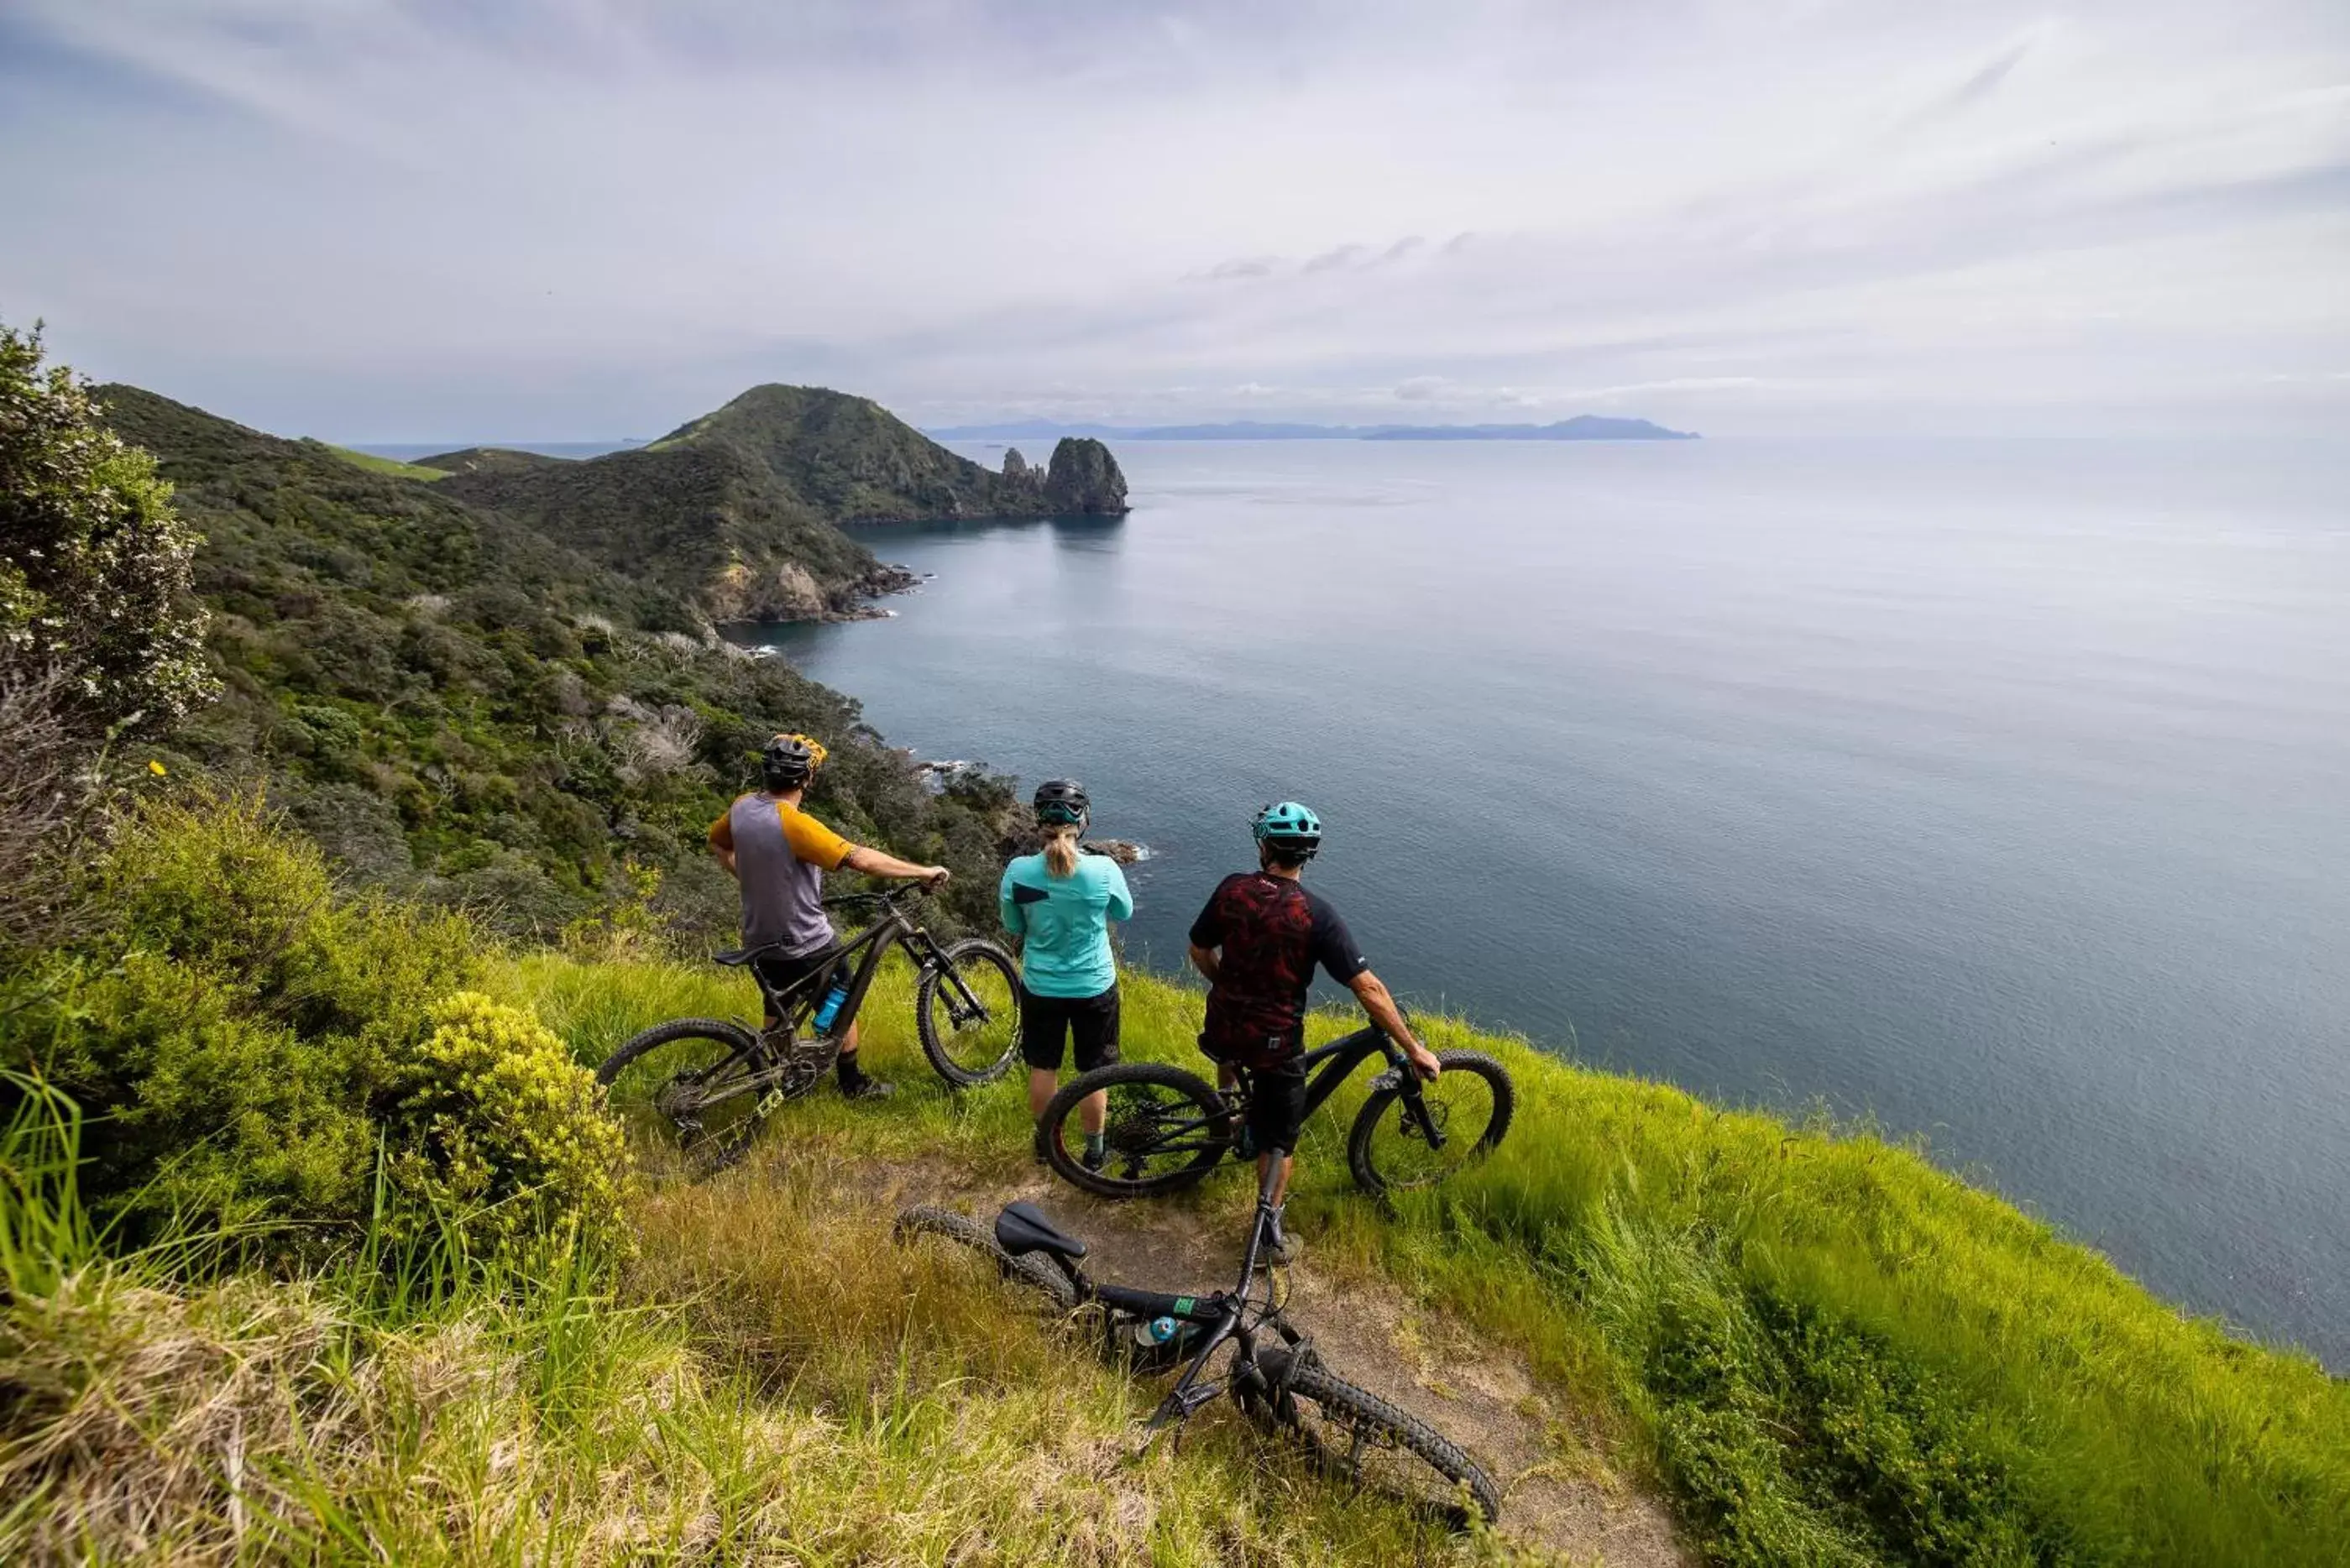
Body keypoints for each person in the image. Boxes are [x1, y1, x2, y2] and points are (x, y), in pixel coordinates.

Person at [1187, 800, 1440, 1263]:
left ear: (1265, 847)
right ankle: (1268, 1238)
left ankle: (1228, 1113)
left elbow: (1199, 949)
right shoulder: (1316, 915)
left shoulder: (1233, 889)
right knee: (1280, 1140)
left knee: (1247, 1078)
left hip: (1222, 1023)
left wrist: (1226, 985)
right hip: (1274, 1043)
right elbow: (1367, 987)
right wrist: (1414, 1048)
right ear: (1309, 855)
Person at [709, 732, 950, 1101]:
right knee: (844, 1000)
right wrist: (922, 871)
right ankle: (852, 1084)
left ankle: (773, 1077)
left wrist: (749, 876)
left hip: (759, 935)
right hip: (805, 941)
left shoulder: (742, 807)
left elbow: (718, 842)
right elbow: (861, 859)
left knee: (778, 1004)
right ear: (806, 779)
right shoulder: (794, 823)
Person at [1000, 779, 1133, 1169]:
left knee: (1044, 1066)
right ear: (1084, 821)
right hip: (1094, 985)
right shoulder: (1103, 869)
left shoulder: (1019, 872)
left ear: (1037, 821)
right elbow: (1123, 912)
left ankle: (1046, 1146)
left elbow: (1013, 925)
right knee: (1094, 1072)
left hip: (1041, 985)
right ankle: (1094, 1153)